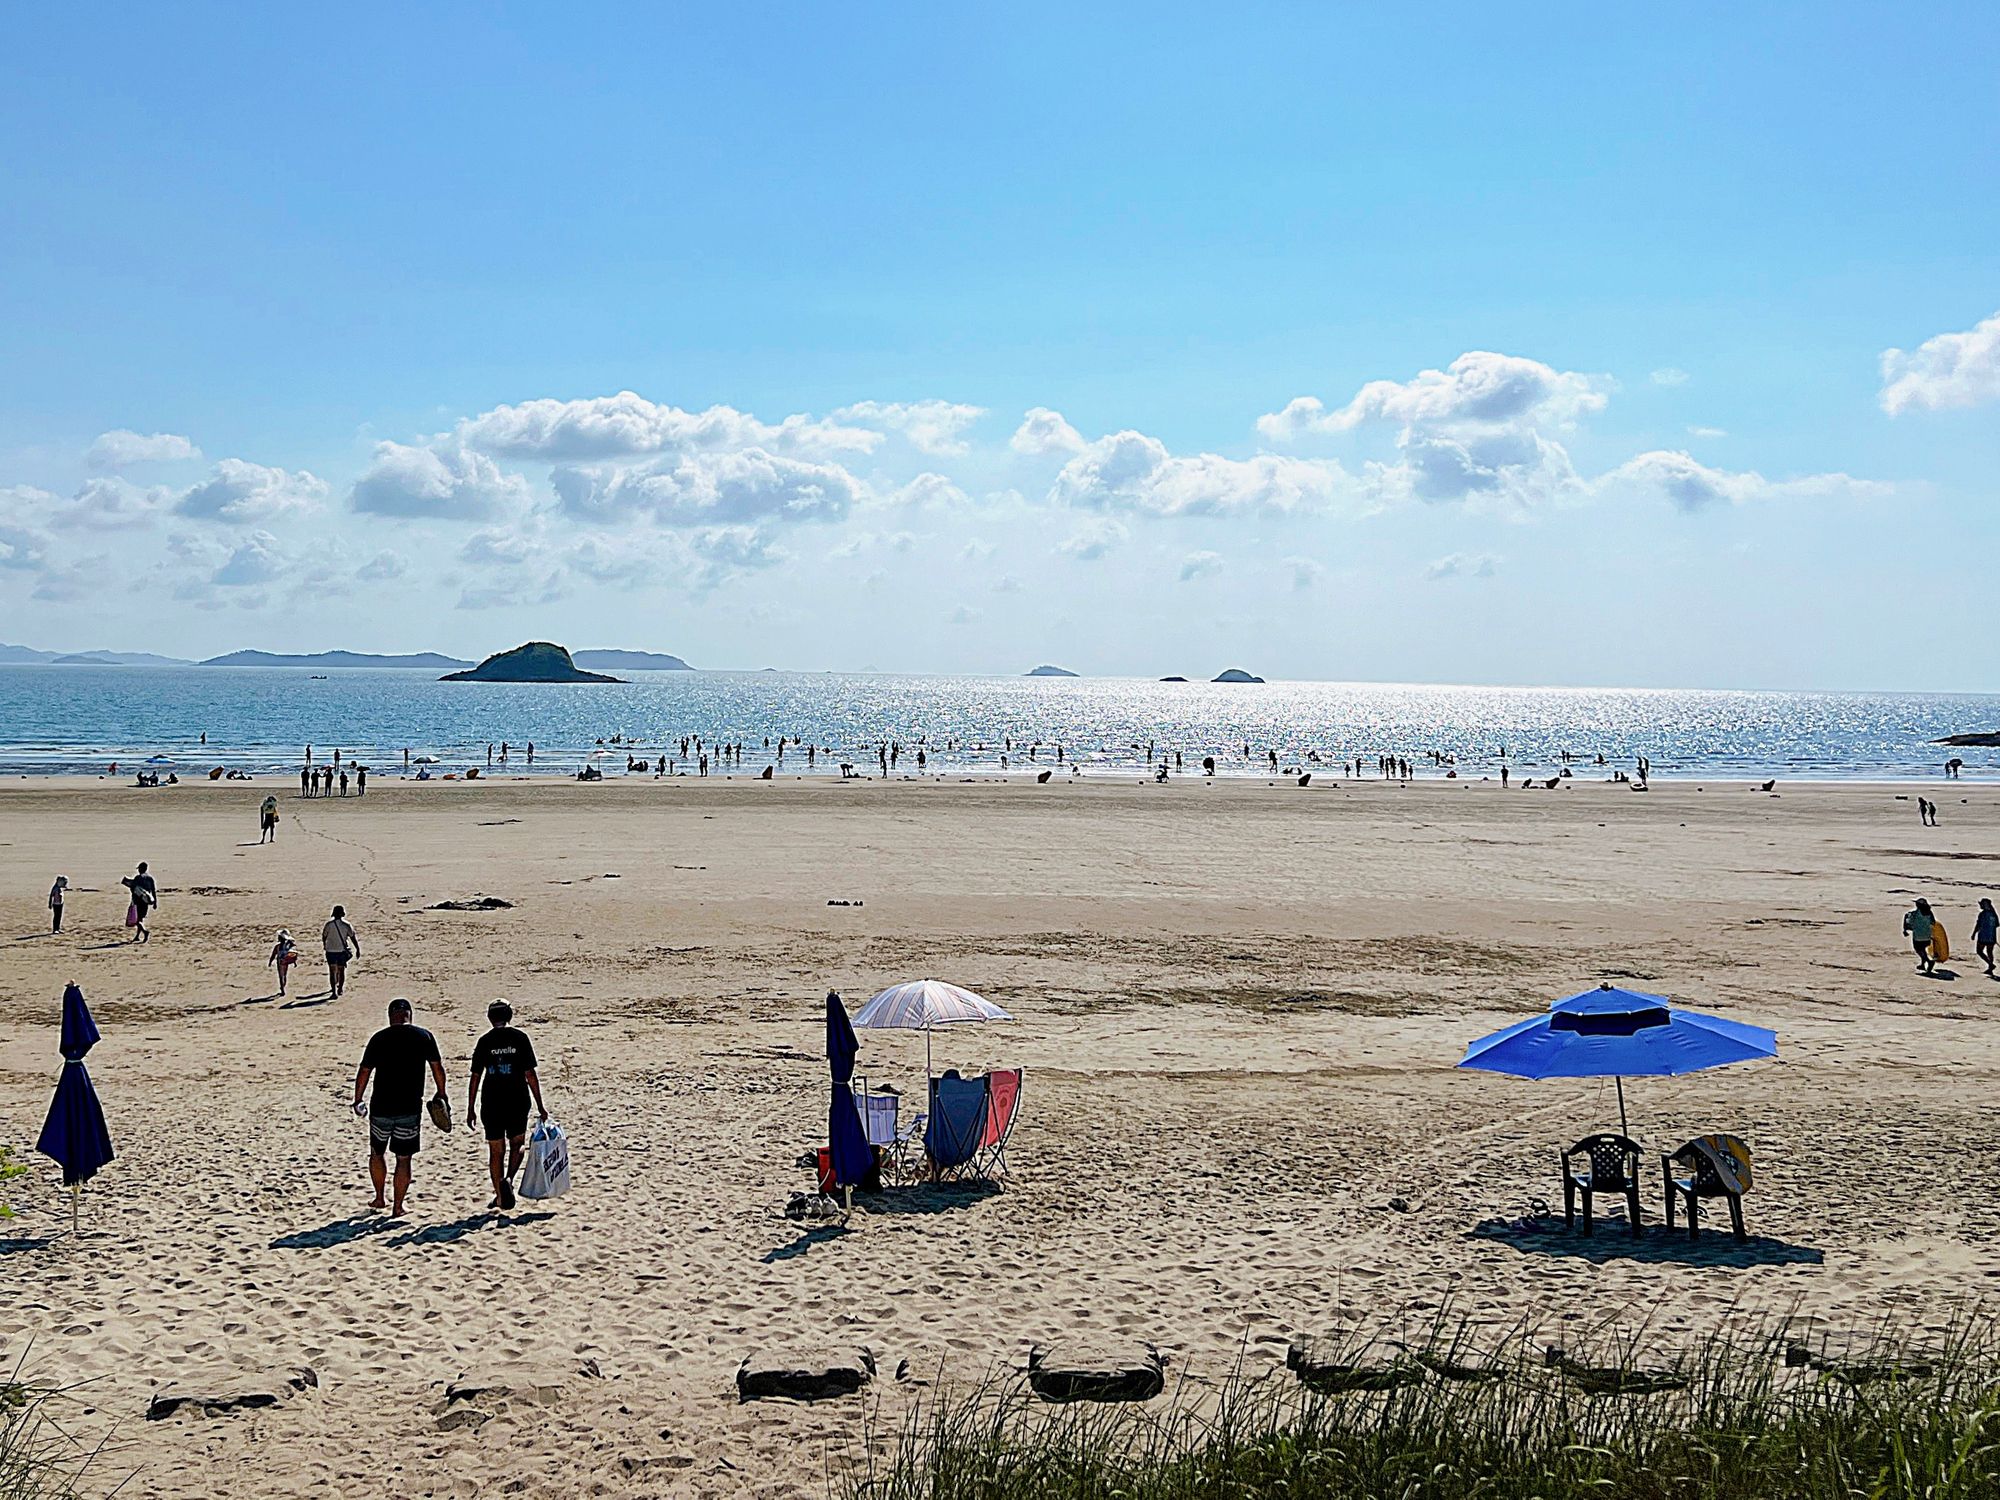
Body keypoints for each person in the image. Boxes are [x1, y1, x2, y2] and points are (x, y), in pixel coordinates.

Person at [352, 998, 447, 1216]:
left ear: (390, 1015)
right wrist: (442, 1094)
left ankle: (379, 1198)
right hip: (410, 1107)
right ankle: (398, 1206)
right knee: (403, 1158)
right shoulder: (424, 1036)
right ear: (409, 1014)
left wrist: (358, 1099)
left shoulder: (379, 1038)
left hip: (380, 1107)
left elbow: (364, 1071)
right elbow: (437, 1068)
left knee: (377, 1153)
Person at [465, 1000, 548, 1210]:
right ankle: (509, 1180)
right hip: (517, 1099)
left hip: (492, 1101)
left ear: (490, 1018)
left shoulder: (484, 1041)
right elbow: (530, 1074)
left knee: (495, 1151)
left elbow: (475, 1076)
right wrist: (540, 1104)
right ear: (509, 1015)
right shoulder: (520, 1038)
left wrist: (470, 1107)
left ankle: (500, 1196)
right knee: (517, 1144)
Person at [322, 904, 360, 997]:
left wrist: (325, 945)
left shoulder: (329, 925)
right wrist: (357, 948)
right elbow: (352, 937)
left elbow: (324, 936)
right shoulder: (346, 925)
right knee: (341, 971)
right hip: (342, 951)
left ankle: (334, 992)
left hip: (330, 951)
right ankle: (340, 989)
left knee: (332, 972)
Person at [121, 861, 157, 943]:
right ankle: (137, 936)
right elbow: (153, 891)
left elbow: (133, 889)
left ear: (141, 869)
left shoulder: (138, 878)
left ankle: (145, 932)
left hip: (138, 901)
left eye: (139, 869)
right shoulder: (150, 878)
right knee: (140, 919)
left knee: (137, 920)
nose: (138, 870)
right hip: (146, 901)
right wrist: (155, 902)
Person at [1904, 899, 1938, 975]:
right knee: (1924, 950)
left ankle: (1929, 962)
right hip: (1927, 935)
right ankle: (1923, 965)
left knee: (1919, 950)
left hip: (1918, 936)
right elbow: (1933, 922)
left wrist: (1905, 929)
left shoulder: (1914, 914)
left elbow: (1909, 922)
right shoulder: (1929, 913)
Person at [268, 928, 299, 995]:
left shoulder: (278, 946)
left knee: (281, 975)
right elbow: (293, 954)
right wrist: (294, 962)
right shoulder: (289, 946)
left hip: (280, 961)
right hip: (286, 962)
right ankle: (283, 987)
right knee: (284, 975)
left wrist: (270, 962)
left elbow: (273, 954)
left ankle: (282, 988)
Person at [1976, 898, 1999, 978]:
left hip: (1983, 936)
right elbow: (1997, 924)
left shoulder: (1982, 914)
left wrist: (1973, 934)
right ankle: (1990, 968)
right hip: (1992, 937)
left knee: (1979, 951)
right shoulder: (1994, 914)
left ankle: (1990, 964)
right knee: (1990, 952)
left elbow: (1978, 925)